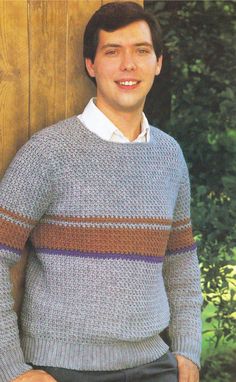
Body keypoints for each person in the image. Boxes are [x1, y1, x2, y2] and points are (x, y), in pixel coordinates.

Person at [0, 2, 202, 382]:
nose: (128, 64)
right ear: (91, 65)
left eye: (141, 51)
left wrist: (188, 351)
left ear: (158, 62)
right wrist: (10, 368)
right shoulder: (48, 152)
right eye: (113, 52)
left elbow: (181, 261)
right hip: (63, 369)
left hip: (156, 365)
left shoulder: (169, 155)